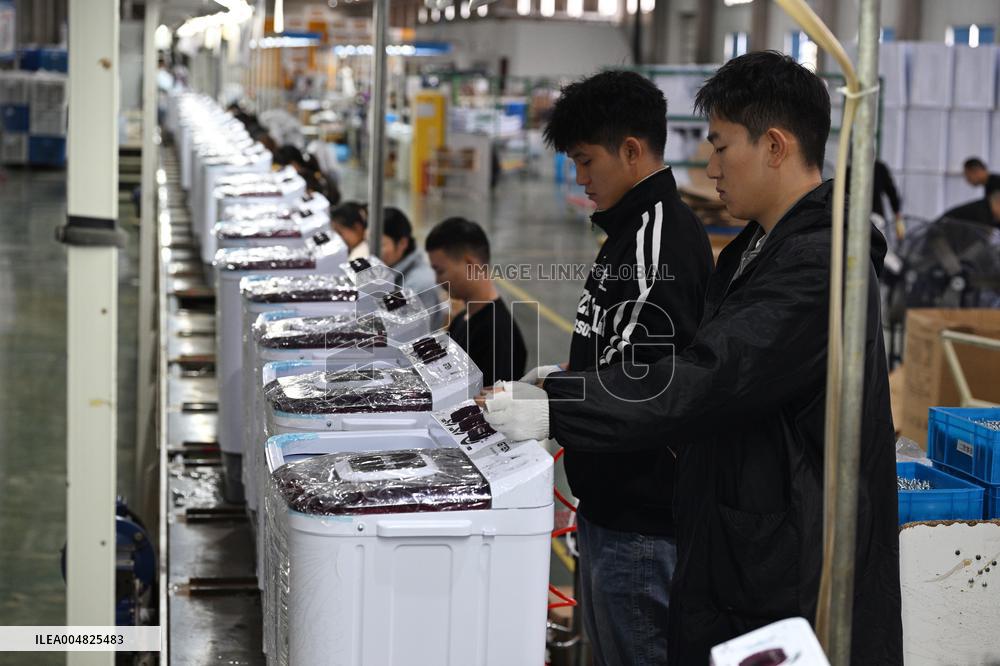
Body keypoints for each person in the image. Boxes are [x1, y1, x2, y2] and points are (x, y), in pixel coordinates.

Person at [483, 51, 903, 665]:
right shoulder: (757, 250)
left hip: (781, 564)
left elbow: (711, 375)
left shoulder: (820, 266)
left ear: (776, 146)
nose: (710, 167)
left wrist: (560, 406)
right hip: (735, 546)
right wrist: (576, 383)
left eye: (721, 146)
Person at [525, 69, 713, 666]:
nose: (580, 180)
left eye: (586, 162)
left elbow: (647, 390)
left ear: (631, 151)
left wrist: (548, 402)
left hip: (643, 525)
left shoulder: (657, 243)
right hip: (612, 513)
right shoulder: (628, 235)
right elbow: (622, 351)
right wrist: (557, 374)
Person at [425, 217, 527, 386]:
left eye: (440, 271)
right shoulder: (462, 319)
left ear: (470, 264)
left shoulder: (497, 335)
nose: (437, 280)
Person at [381, 207, 447, 330]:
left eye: (381, 244)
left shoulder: (419, 285)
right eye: (368, 241)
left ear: (402, 243)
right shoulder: (392, 269)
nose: (372, 250)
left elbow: (412, 334)